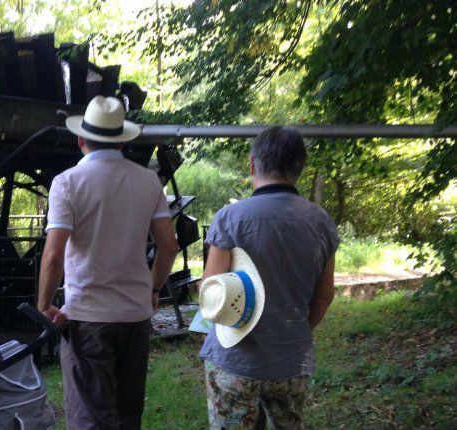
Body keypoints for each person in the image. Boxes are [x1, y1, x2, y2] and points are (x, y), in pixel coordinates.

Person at [36, 96, 179, 430]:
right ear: (121, 139)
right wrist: (154, 289)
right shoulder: (148, 182)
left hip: (88, 318)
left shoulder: (67, 183)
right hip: (135, 316)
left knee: (90, 417)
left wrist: (44, 304)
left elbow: (54, 254)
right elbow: (169, 246)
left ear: (81, 139)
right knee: (127, 415)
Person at [200, 126, 339, 429]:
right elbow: (325, 295)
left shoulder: (229, 219)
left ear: (251, 164)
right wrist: (298, 330)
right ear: (300, 168)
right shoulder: (321, 222)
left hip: (235, 358)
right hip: (291, 360)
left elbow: (210, 289)